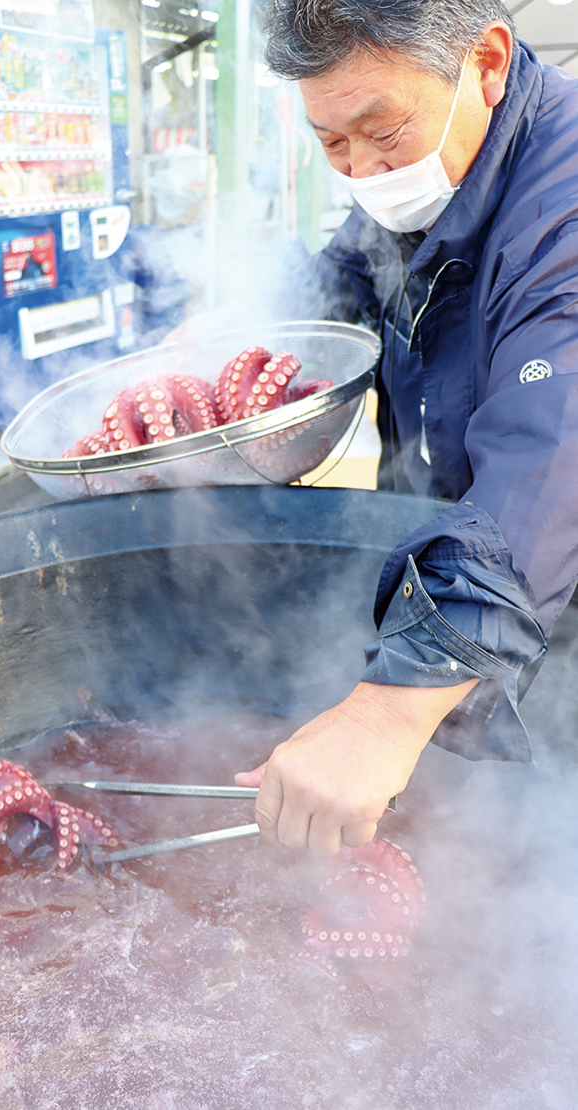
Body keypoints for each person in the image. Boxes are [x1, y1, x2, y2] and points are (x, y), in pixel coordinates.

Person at [232, 0, 578, 856]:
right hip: (449, 579)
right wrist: (236, 347)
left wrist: (389, 710)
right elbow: (344, 277)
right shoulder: (424, 173)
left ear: (487, 64)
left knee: (534, 846)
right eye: (330, 144)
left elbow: (550, 454)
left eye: (379, 129)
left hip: (541, 601)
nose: (362, 169)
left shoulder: (561, 213)